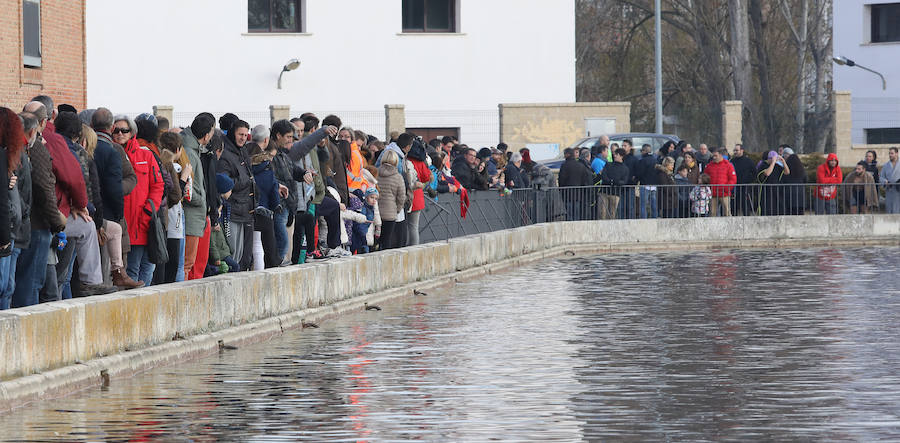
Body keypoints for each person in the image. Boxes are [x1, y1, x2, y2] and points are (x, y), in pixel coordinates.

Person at [12, 107, 66, 308]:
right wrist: (58, 223)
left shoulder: (21, 150)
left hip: (25, 224)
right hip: (35, 225)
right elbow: (44, 188)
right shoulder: (35, 150)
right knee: (31, 283)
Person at [114, 115, 164, 286]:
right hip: (124, 225)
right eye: (116, 130)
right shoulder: (111, 154)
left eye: (124, 130)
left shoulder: (146, 155)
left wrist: (149, 211)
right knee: (132, 270)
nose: (120, 133)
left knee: (148, 268)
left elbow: (158, 185)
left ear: (132, 132)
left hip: (145, 222)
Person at [218, 118, 255, 271]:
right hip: (233, 210)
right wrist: (246, 180)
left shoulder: (243, 151)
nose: (243, 138)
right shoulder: (226, 154)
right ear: (233, 134)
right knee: (234, 254)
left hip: (247, 209)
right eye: (240, 134)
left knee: (245, 257)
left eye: (246, 135)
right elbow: (224, 182)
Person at [182, 114, 215, 280]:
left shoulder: (192, 149)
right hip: (191, 217)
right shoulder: (189, 151)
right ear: (206, 135)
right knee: (187, 265)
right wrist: (202, 201)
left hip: (194, 217)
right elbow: (187, 188)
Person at [247, 126, 282, 269]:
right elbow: (273, 188)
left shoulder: (243, 159)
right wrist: (276, 205)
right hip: (263, 209)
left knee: (252, 244)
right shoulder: (266, 166)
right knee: (263, 245)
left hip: (246, 209)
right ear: (266, 140)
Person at [158, 132, 189, 283]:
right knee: (173, 265)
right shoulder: (173, 167)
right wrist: (183, 179)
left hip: (164, 220)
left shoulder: (159, 163)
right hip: (172, 221)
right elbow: (176, 195)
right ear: (178, 150)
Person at [269, 119, 300, 264]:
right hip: (278, 204)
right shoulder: (271, 154)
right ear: (278, 135)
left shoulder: (283, 155)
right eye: (288, 136)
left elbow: (293, 171)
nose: (290, 140)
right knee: (282, 243)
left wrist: (305, 173)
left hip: (287, 204)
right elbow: (269, 177)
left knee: (284, 243)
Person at [376, 150, 406, 250]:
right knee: (387, 240)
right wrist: (397, 209)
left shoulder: (376, 173)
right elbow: (401, 197)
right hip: (390, 213)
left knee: (376, 240)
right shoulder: (398, 177)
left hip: (376, 212)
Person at [406, 140, 431, 246]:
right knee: (414, 227)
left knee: (405, 226)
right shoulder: (421, 162)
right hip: (418, 196)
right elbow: (427, 177)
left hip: (407, 195)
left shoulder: (406, 160)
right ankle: (414, 248)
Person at [558, 147, 593, 220]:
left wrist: (561, 190)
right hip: (578, 194)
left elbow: (561, 180)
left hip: (567, 194)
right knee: (577, 215)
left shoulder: (564, 165)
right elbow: (584, 180)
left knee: (569, 215)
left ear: (567, 155)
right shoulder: (580, 165)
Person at [704, 147, 736, 216]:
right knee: (712, 213)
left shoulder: (728, 165)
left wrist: (726, 188)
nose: (714, 158)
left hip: (724, 193)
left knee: (727, 212)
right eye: (713, 156)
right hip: (713, 193)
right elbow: (705, 178)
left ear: (721, 155)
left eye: (716, 156)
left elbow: (733, 179)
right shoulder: (709, 166)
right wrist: (708, 188)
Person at [598, 148, 629, 220]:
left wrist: (612, 181)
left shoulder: (625, 168)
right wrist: (612, 182)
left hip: (615, 193)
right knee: (602, 213)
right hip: (604, 192)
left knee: (612, 214)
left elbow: (624, 181)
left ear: (621, 156)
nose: (614, 156)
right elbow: (603, 176)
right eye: (615, 154)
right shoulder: (608, 164)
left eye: (617, 154)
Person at [758, 151, 789, 216]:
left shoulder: (777, 166)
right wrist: (773, 162)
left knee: (778, 210)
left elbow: (787, 172)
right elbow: (767, 173)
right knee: (767, 210)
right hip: (766, 192)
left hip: (777, 192)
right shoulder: (763, 164)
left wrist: (783, 161)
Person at [730, 144, 756, 216]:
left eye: (737, 150)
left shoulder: (748, 161)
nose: (735, 152)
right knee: (733, 206)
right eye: (734, 150)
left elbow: (754, 172)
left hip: (745, 187)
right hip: (734, 187)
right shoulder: (732, 161)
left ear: (742, 150)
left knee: (745, 206)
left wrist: (748, 180)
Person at [635, 144, 659, 218]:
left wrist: (636, 178)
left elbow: (640, 173)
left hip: (645, 185)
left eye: (642, 151)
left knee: (643, 205)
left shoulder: (643, 161)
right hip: (654, 185)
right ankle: (655, 218)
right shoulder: (655, 160)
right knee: (654, 204)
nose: (641, 152)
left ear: (644, 151)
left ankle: (643, 220)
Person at [781, 147, 806, 215]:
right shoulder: (802, 170)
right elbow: (805, 180)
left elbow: (783, 180)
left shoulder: (787, 171)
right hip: (800, 197)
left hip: (789, 197)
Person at [881, 148, 900, 214]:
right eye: (889, 153)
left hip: (898, 190)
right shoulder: (885, 165)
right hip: (889, 190)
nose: (890, 155)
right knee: (889, 210)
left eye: (892, 153)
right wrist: (885, 181)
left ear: (897, 153)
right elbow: (881, 177)